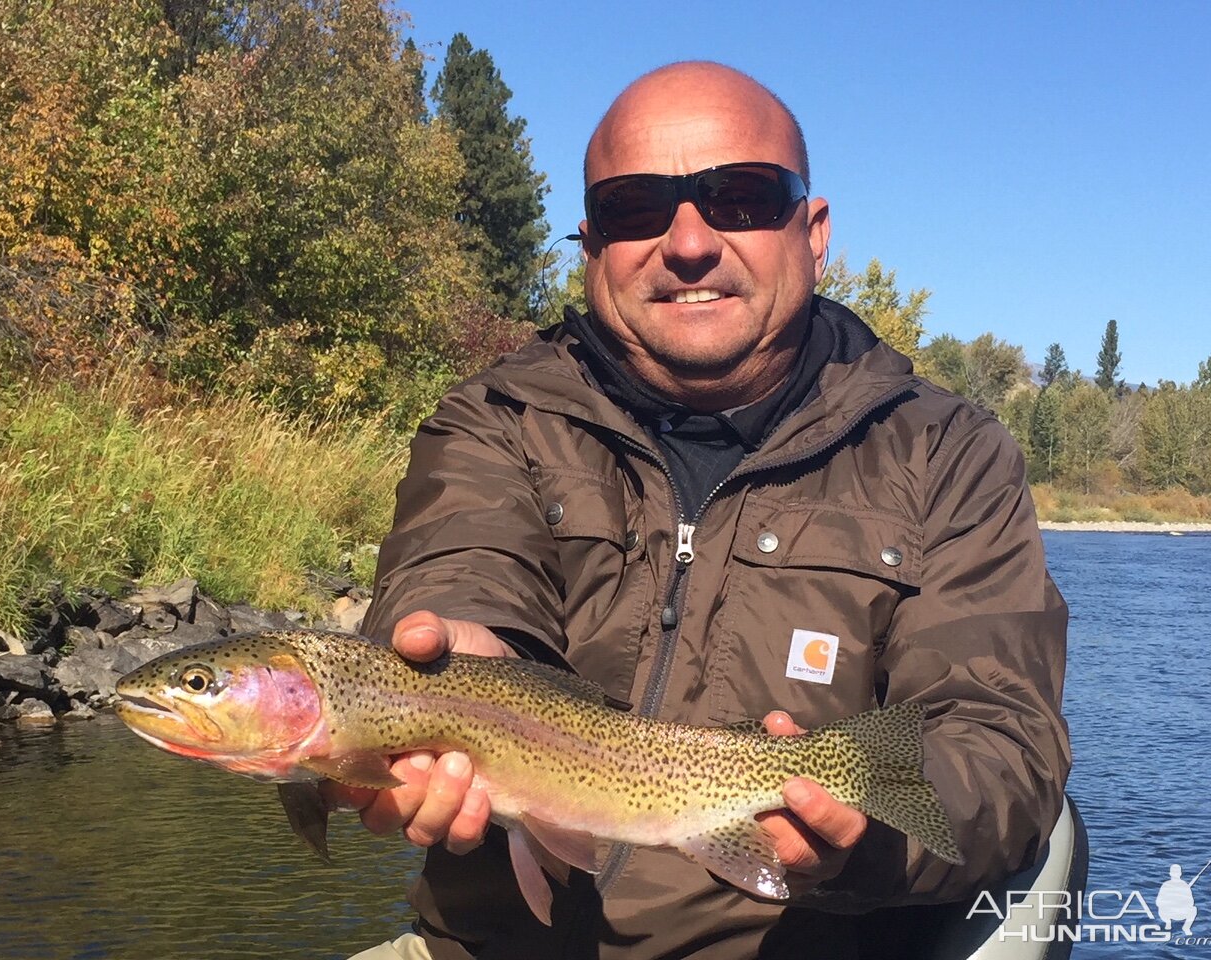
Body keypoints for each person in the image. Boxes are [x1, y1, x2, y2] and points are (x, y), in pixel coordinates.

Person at [336, 60, 1071, 960]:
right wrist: (459, 659)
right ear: (591, 244)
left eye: (741, 197)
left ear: (815, 232)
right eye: (635, 209)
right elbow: (464, 568)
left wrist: (865, 838)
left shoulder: (946, 453)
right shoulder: (496, 419)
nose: (688, 242)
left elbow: (999, 741)